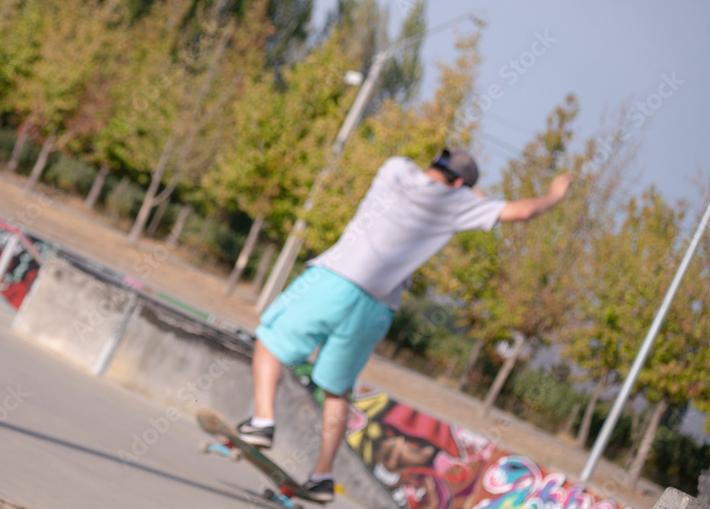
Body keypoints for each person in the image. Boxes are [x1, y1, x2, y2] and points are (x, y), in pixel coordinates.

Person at [235, 148, 573, 502]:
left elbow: (430, 180)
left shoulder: (396, 169)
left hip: (337, 277)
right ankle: (322, 476)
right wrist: (554, 194)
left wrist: (464, 193)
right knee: (337, 389)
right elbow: (522, 212)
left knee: (270, 341)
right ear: (461, 184)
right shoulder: (459, 206)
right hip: (377, 306)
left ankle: (263, 422)